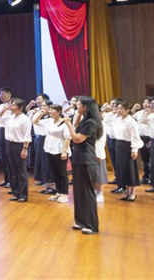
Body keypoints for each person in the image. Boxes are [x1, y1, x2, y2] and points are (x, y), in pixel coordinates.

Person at [63, 96, 102, 235]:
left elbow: (77, 139)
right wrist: (75, 121)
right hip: (79, 159)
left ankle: (91, 225)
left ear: (85, 107)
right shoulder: (85, 119)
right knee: (78, 192)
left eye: (78, 104)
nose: (76, 106)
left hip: (86, 160)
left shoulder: (91, 122)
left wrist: (68, 124)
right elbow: (77, 131)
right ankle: (80, 221)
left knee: (87, 192)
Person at [0, 98, 32, 202]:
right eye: (11, 105)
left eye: (13, 105)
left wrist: (25, 149)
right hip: (9, 144)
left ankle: (23, 195)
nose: (11, 107)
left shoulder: (25, 119)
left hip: (19, 145)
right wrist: (3, 110)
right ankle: (15, 192)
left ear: (20, 107)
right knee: (12, 169)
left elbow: (27, 136)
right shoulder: (10, 117)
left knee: (21, 171)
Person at [34, 104, 71, 203]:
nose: (50, 111)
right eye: (49, 109)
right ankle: (58, 192)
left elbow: (67, 138)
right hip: (49, 147)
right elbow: (35, 122)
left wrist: (64, 151)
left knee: (62, 172)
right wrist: (40, 114)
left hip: (60, 149)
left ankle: (64, 194)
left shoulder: (64, 122)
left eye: (52, 110)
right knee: (54, 171)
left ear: (59, 112)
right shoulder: (49, 121)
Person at [112, 102, 143, 202]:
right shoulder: (117, 120)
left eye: (121, 108)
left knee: (130, 170)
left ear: (127, 110)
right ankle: (127, 192)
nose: (119, 111)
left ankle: (132, 193)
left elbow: (135, 136)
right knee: (122, 170)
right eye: (118, 108)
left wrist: (134, 150)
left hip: (128, 146)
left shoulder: (131, 121)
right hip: (119, 145)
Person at [131, 97, 154, 190]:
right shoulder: (140, 112)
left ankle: (152, 177)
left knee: (152, 158)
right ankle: (146, 177)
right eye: (144, 102)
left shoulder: (153, 114)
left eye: (148, 102)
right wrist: (134, 109)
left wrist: (149, 112)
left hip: (150, 137)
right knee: (145, 158)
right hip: (141, 137)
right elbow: (130, 117)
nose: (145, 104)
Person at [27, 94, 52, 190]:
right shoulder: (39, 114)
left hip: (48, 138)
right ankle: (42, 179)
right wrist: (37, 113)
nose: (42, 107)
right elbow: (31, 120)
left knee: (47, 160)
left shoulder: (51, 117)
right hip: (39, 138)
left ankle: (48, 181)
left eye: (44, 105)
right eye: (42, 106)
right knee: (40, 159)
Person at [94, 120, 108, 203]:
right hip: (89, 152)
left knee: (99, 174)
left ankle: (100, 193)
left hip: (98, 151)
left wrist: (98, 153)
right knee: (92, 174)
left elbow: (102, 140)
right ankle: (94, 191)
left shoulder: (101, 123)